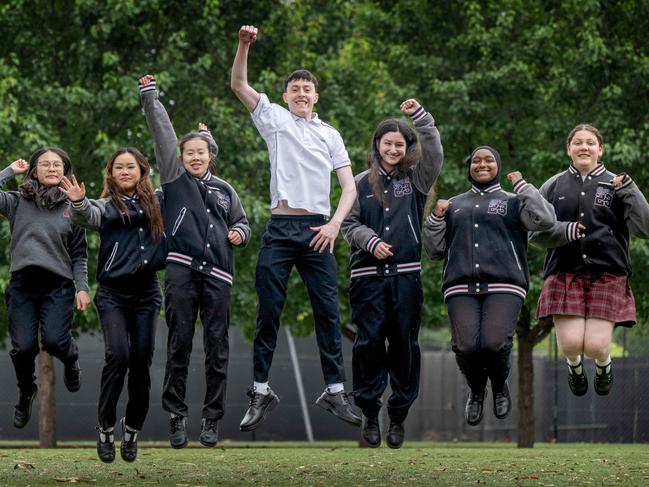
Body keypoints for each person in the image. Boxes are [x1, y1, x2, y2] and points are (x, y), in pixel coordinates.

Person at [231, 24, 360, 431]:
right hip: (281, 229)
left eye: (307, 89)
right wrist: (243, 44)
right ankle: (260, 390)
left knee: (327, 313)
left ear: (316, 96)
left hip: (319, 231)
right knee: (268, 310)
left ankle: (336, 392)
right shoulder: (274, 120)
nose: (301, 93)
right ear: (286, 96)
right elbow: (238, 84)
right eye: (295, 89)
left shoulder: (331, 135)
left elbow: (349, 187)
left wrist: (336, 225)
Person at [139, 75, 251, 448]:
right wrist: (151, 98)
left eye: (202, 152)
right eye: (190, 153)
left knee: (218, 348)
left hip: (219, 276)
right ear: (182, 158)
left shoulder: (225, 190)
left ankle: (211, 421)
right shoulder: (173, 181)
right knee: (180, 344)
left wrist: (240, 234)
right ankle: (176, 417)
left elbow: (241, 222)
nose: (196, 157)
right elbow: (164, 136)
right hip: (182, 270)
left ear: (210, 157)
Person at [423, 146, 555, 426]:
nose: (482, 164)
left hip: (505, 283)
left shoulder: (514, 201)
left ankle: (498, 385)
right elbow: (434, 250)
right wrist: (435, 217)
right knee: (467, 347)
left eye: (489, 160)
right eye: (476, 161)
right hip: (460, 285)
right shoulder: (454, 204)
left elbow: (546, 220)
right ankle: (476, 390)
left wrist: (523, 186)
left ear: (498, 165)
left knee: (494, 344)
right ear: (469, 166)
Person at [341, 99, 443, 448]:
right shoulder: (356, 183)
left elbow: (435, 150)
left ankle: (398, 414)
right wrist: (369, 242)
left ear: (407, 148)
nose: (394, 148)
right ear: (377, 145)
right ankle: (370, 413)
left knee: (404, 345)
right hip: (366, 278)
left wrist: (420, 117)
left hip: (406, 276)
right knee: (368, 344)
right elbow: (348, 224)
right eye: (388, 143)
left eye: (401, 143)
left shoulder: (416, 180)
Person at [60, 148, 166, 463]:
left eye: (130, 166)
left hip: (147, 292)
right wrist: (78, 201)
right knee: (118, 356)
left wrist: (203, 141)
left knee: (142, 361)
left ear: (142, 171)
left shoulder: (158, 201)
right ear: (111, 173)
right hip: (113, 294)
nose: (124, 171)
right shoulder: (104, 207)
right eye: (118, 167)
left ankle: (132, 430)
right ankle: (106, 428)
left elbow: (181, 176)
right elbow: (84, 215)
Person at [530, 124, 649, 397]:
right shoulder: (553, 185)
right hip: (564, 272)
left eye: (591, 143)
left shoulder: (618, 184)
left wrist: (629, 190)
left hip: (607, 274)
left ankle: (603, 367)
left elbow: (645, 227)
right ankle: (575, 368)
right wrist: (563, 232)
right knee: (571, 345)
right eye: (578, 143)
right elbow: (533, 233)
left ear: (600, 149)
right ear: (568, 149)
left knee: (595, 347)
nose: (584, 147)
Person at [0, 149, 90, 429]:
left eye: (57, 164)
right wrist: (8, 171)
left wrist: (82, 287)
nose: (51, 168)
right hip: (23, 285)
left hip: (58, 285)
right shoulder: (17, 201)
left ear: (65, 170)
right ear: (34, 170)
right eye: (45, 164)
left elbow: (79, 254)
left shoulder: (73, 206)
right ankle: (26, 391)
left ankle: (71, 359)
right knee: (23, 347)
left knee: (54, 341)